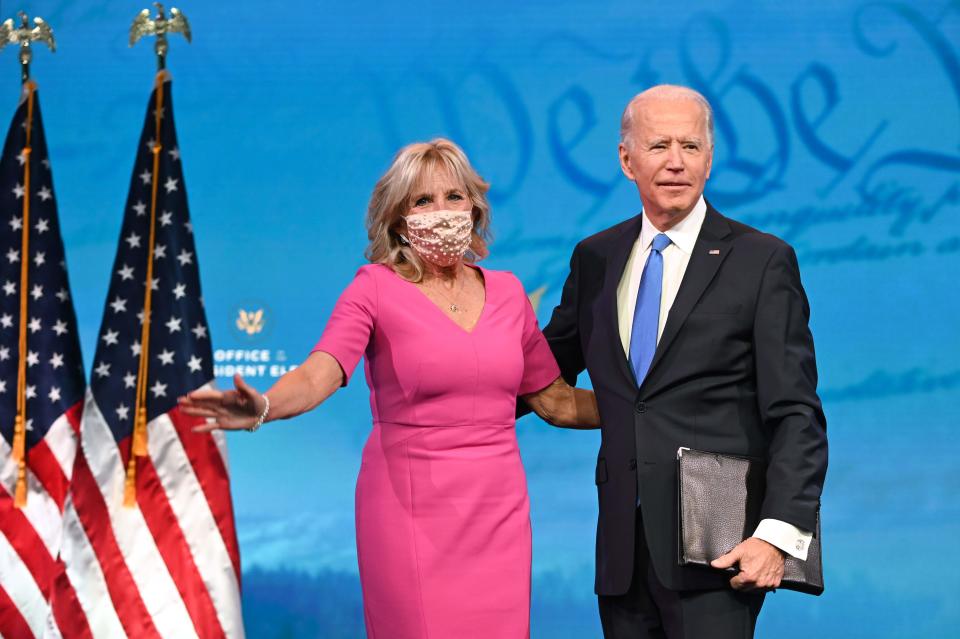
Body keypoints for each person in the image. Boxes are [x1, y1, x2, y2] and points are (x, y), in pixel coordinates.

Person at [179, 138, 599, 638]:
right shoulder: (373, 288)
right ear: (398, 220)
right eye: (422, 201)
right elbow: (322, 371)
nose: (441, 211)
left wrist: (646, 404)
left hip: (498, 515)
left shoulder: (508, 291)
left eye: (454, 197)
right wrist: (266, 405)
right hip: (409, 512)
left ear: (475, 206)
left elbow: (555, 402)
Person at [535, 85, 828, 638]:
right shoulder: (595, 257)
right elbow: (541, 365)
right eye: (660, 145)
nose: (676, 161)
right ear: (627, 160)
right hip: (622, 551)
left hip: (719, 551)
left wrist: (777, 535)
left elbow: (796, 414)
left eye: (691, 146)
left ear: (710, 159)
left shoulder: (762, 261)